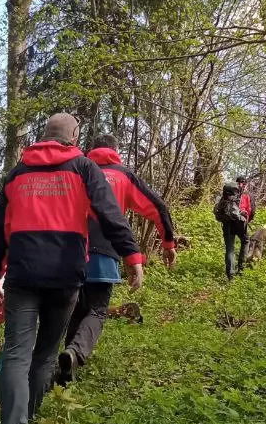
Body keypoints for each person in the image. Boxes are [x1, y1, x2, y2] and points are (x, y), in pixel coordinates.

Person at [0, 113, 143, 424]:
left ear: (44, 136)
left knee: (16, 352)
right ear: (73, 137)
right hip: (65, 276)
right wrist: (132, 256)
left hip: (23, 275)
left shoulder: (16, 174)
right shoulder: (84, 168)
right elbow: (110, 214)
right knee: (44, 353)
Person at [56, 135, 177, 385]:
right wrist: (168, 243)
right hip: (105, 247)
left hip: (69, 250)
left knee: (77, 308)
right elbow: (158, 207)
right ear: (115, 150)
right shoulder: (123, 175)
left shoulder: (76, 171)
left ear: (92, 150)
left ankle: (66, 370)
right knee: (98, 309)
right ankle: (75, 353)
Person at [214, 176, 252, 280]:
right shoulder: (245, 195)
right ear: (245, 184)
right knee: (246, 241)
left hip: (227, 223)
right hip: (240, 222)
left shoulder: (225, 195)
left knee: (230, 249)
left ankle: (230, 275)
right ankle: (241, 268)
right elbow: (251, 210)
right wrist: (246, 220)